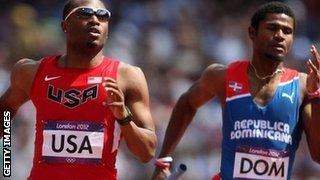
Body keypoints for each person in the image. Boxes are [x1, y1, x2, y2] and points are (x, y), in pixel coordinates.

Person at [152, 2, 320, 180]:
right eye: (272, 28)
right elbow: (187, 103)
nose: (280, 35)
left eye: (287, 31)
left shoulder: (302, 85)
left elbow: (317, 155)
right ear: (252, 33)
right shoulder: (222, 76)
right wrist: (163, 160)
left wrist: (316, 96)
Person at [0, 0, 157, 179]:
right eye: (85, 13)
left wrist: (124, 117)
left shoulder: (128, 77)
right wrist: (6, 159)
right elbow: (6, 111)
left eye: (103, 16)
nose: (95, 20)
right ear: (64, 25)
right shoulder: (31, 72)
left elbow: (147, 152)